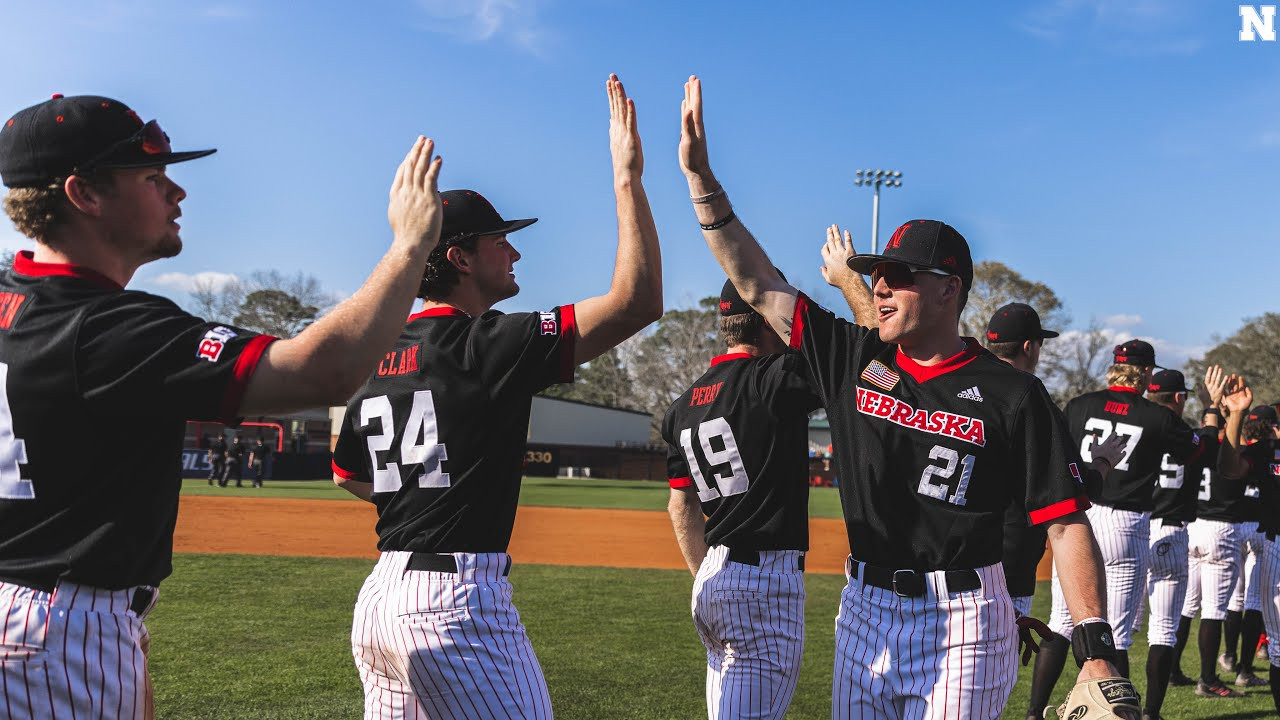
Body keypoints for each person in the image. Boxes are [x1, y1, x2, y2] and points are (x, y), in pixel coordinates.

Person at [678, 75, 1132, 720]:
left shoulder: (1014, 395)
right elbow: (756, 281)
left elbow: (1064, 522)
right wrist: (701, 181)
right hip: (864, 609)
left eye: (897, 276)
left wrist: (1094, 645)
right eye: (875, 277)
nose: (880, 287)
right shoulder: (851, 358)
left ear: (950, 289)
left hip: (968, 615)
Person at [0, 93, 446, 719]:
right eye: (153, 177)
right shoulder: (105, 327)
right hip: (59, 632)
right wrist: (409, 246)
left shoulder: (15, 306)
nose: (176, 192)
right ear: (85, 195)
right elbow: (326, 371)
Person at [330, 74, 662, 719]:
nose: (513, 251)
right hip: (454, 605)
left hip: (380, 599)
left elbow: (350, 476)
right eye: (498, 241)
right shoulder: (486, 343)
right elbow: (637, 303)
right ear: (459, 257)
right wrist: (628, 179)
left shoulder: (374, 355)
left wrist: (426, 492)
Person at [664, 273, 820, 719]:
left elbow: (681, 506)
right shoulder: (773, 379)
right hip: (763, 583)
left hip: (713, 573)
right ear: (767, 319)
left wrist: (705, 575)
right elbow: (858, 358)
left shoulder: (683, 405)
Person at [1027, 339, 1204, 716]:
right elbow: (1198, 452)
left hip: (1080, 516)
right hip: (1128, 522)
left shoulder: (1080, 405)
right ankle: (1122, 714)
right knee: (1116, 633)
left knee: (1060, 621)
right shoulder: (1157, 416)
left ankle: (1033, 712)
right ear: (1147, 373)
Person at [983, 303, 1122, 619]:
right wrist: (1103, 461)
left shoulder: (963, 385)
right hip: (1009, 566)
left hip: (948, 566)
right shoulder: (1031, 399)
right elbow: (1076, 491)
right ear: (1030, 347)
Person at [1139, 368, 1219, 719]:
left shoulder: (1138, 426)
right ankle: (1151, 712)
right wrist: (1212, 408)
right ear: (1178, 398)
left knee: (1117, 630)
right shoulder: (1184, 434)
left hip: (1133, 527)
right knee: (1162, 630)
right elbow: (1211, 447)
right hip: (1172, 531)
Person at [1219, 381, 1280, 711]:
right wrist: (1236, 416)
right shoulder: (1265, 450)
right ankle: (1239, 663)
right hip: (1274, 543)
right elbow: (1229, 467)